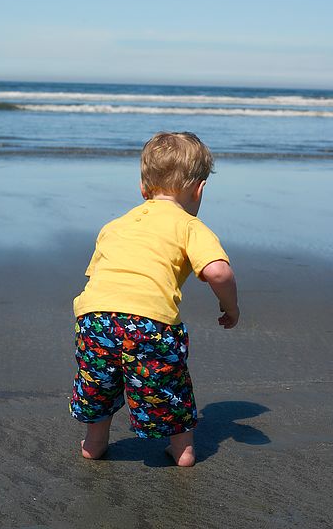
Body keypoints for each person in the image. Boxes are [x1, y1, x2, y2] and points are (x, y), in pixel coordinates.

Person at [69, 131, 239, 466]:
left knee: (99, 381)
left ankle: (94, 443)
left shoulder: (114, 225)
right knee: (168, 382)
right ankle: (182, 449)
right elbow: (219, 272)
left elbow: (98, 275)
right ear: (199, 189)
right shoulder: (189, 225)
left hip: (94, 317)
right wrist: (230, 307)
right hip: (149, 322)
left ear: (144, 187)